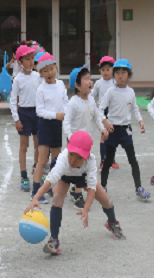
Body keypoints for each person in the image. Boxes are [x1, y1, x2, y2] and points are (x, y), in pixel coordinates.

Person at [25, 131, 124, 256]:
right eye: (71, 154)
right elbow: (50, 180)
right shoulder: (63, 159)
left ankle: (112, 222)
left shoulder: (90, 161)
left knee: (106, 200)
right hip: (65, 175)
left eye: (79, 157)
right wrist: (36, 197)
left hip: (82, 176)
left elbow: (92, 188)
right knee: (57, 199)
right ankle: (54, 240)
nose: (73, 160)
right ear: (68, 150)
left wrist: (86, 208)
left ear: (87, 156)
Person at [99, 58, 150, 200]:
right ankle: (103, 187)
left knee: (133, 160)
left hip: (126, 130)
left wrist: (140, 120)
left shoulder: (131, 92)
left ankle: (139, 188)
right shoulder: (110, 91)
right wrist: (105, 122)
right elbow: (100, 109)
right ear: (114, 75)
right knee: (108, 160)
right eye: (117, 73)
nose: (120, 76)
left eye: (123, 72)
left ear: (129, 75)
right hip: (112, 130)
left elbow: (135, 109)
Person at [63, 64, 109, 209]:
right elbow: (66, 122)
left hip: (86, 142)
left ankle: (75, 189)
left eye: (90, 78)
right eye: (86, 79)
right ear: (77, 85)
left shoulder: (90, 100)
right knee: (77, 168)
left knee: (83, 167)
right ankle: (77, 194)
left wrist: (102, 128)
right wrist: (71, 138)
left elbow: (96, 116)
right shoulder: (73, 103)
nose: (90, 82)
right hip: (75, 142)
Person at [33, 52, 68, 204]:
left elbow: (65, 102)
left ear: (56, 68)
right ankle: (35, 191)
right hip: (45, 125)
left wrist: (66, 114)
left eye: (51, 69)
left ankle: (52, 188)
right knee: (42, 160)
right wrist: (56, 115)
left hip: (58, 125)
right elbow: (39, 111)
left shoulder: (60, 85)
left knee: (56, 159)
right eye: (45, 70)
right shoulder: (41, 89)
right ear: (40, 72)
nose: (49, 73)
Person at [9, 45, 41, 192]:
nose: (31, 61)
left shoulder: (38, 76)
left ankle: (37, 170)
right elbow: (13, 101)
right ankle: (24, 176)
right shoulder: (17, 79)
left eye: (32, 58)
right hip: (24, 114)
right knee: (24, 146)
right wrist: (17, 119)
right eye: (27, 59)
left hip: (38, 113)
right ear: (20, 62)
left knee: (38, 145)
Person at [91, 56, 117, 169]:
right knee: (104, 134)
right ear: (100, 71)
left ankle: (112, 159)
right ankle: (103, 160)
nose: (105, 72)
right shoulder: (98, 83)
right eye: (103, 70)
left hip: (113, 111)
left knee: (113, 135)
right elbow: (92, 95)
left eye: (108, 69)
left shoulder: (116, 82)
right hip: (102, 112)